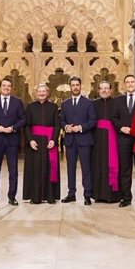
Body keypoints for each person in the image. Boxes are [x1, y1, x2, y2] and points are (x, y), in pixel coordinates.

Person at [0, 77, 26, 207]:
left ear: (11, 88)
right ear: (0, 86)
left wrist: (13, 128)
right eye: (4, 85)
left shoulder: (17, 102)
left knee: (13, 170)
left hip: (12, 140)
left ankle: (12, 196)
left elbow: (23, 119)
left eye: (9, 86)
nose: (6, 88)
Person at [60, 76, 97, 205]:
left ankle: (87, 194)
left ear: (80, 86)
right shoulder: (65, 104)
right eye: (73, 85)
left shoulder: (88, 103)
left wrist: (81, 127)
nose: (75, 87)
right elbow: (62, 120)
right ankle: (71, 194)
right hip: (70, 140)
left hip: (84, 140)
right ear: (70, 87)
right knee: (70, 168)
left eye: (77, 85)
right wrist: (66, 127)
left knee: (86, 168)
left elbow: (92, 121)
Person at [23, 83, 61, 204]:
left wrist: (54, 140)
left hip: (49, 141)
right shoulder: (30, 107)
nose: (41, 93)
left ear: (47, 93)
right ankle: (35, 197)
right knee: (35, 168)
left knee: (50, 168)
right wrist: (30, 140)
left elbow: (57, 125)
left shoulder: (54, 107)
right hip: (35, 142)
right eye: (39, 91)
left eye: (44, 91)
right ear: (36, 93)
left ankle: (50, 196)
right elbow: (26, 126)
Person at [112, 74, 135, 207]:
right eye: (127, 82)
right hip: (123, 139)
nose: (130, 84)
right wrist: (121, 128)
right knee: (125, 170)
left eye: (132, 82)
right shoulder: (118, 100)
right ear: (125, 84)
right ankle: (126, 198)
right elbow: (114, 118)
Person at [92, 80, 121, 203]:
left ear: (111, 90)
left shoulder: (117, 103)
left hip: (113, 137)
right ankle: (98, 195)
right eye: (102, 88)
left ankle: (113, 195)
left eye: (106, 88)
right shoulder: (93, 104)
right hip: (97, 138)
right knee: (98, 165)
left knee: (113, 164)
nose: (104, 90)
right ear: (98, 90)